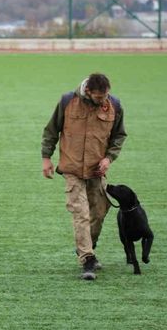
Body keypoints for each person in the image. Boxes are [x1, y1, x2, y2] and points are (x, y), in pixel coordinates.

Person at [41, 73, 127, 281]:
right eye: (99, 97)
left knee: (99, 212)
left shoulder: (114, 105)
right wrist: (46, 158)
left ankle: (88, 246)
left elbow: (119, 136)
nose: (103, 100)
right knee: (81, 213)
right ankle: (87, 259)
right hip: (72, 169)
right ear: (88, 91)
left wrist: (108, 158)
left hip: (97, 170)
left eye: (106, 95)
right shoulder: (67, 102)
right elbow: (51, 131)